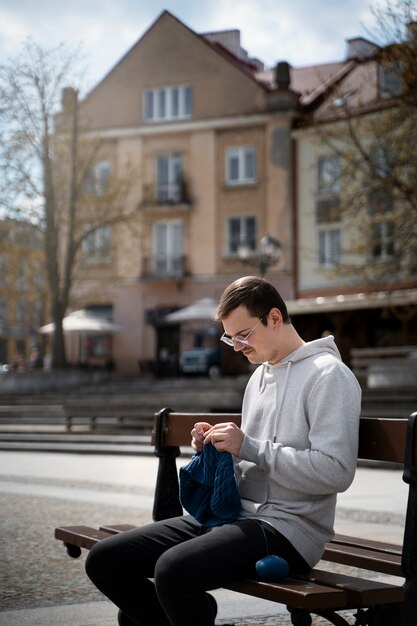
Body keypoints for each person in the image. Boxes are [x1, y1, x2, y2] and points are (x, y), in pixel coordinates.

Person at [85, 276, 362, 626]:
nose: (236, 346)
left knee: (171, 572)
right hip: (233, 516)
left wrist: (248, 446)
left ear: (274, 318)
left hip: (289, 530)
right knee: (104, 561)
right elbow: (252, 457)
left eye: (243, 335)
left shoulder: (328, 376)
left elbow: (336, 471)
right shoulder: (260, 377)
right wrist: (218, 449)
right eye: (230, 337)